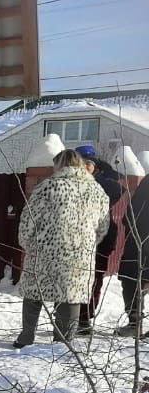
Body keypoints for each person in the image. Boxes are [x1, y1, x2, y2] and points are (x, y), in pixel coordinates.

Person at [13, 149, 110, 348]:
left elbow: (29, 219)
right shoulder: (97, 190)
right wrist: (88, 244)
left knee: (34, 292)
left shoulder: (49, 186)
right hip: (80, 255)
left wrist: (27, 242)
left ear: (60, 165)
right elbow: (103, 226)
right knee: (71, 296)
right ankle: (63, 342)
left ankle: (26, 337)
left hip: (45, 251)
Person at [74, 144, 123, 336]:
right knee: (77, 278)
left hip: (102, 239)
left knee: (94, 279)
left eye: (89, 164)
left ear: (96, 165)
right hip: (77, 240)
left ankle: (85, 318)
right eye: (81, 163)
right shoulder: (74, 182)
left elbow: (118, 189)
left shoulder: (104, 182)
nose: (85, 167)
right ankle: (72, 315)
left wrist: (104, 170)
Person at [118, 172, 149, 336]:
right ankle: (134, 324)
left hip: (139, 245)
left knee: (132, 283)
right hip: (138, 245)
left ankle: (134, 324)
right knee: (132, 283)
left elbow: (129, 216)